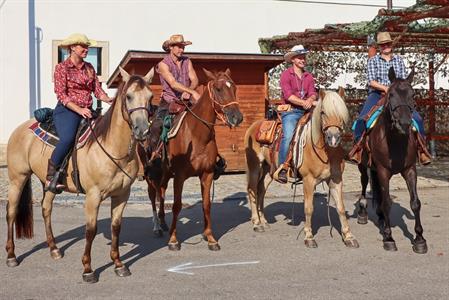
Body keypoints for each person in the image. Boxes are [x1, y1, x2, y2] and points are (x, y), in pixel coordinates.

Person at [350, 32, 431, 165]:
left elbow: (403, 80)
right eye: (383, 44)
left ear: (391, 45)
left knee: (417, 119)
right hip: (377, 94)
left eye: (388, 43)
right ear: (379, 47)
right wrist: (386, 88)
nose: (386, 46)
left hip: (397, 95)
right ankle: (358, 149)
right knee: (362, 119)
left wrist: (395, 90)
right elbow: (371, 81)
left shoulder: (398, 60)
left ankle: (422, 150)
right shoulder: (373, 61)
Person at [46, 33, 113, 193]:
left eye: (87, 46)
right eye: (83, 46)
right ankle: (51, 175)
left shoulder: (89, 67)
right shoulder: (62, 68)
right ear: (72, 48)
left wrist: (108, 99)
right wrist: (79, 109)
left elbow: (97, 90)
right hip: (67, 111)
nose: (86, 49)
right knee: (68, 138)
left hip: (87, 111)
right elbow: (61, 95)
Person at [273, 45, 317, 184]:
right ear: (293, 59)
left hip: (306, 110)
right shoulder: (286, 74)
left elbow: (313, 93)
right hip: (291, 111)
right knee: (288, 135)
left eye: (303, 57)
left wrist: (310, 100)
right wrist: (304, 102)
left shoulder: (308, 76)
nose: (302, 60)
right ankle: (283, 167)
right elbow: (288, 95)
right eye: (299, 57)